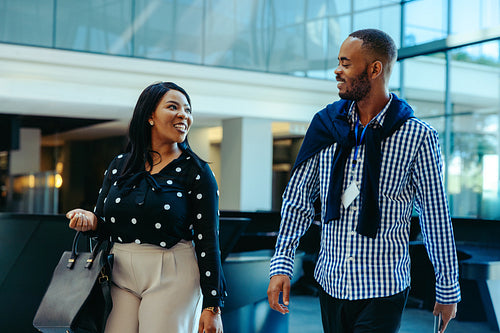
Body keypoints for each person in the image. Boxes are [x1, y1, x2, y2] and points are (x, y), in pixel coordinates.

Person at [267, 29, 460, 333]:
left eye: (345, 63)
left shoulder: (418, 136)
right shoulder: (326, 126)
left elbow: (435, 216)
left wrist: (447, 288)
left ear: (374, 69)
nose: (337, 71)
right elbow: (298, 200)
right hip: (330, 282)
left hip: (383, 287)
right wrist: (282, 263)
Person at [66, 82, 225, 333]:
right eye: (173, 107)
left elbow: (209, 241)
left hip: (173, 272)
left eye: (187, 109)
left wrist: (212, 305)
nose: (184, 114)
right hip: (119, 272)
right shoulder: (120, 165)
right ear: (149, 115)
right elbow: (103, 224)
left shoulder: (197, 171)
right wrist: (90, 220)